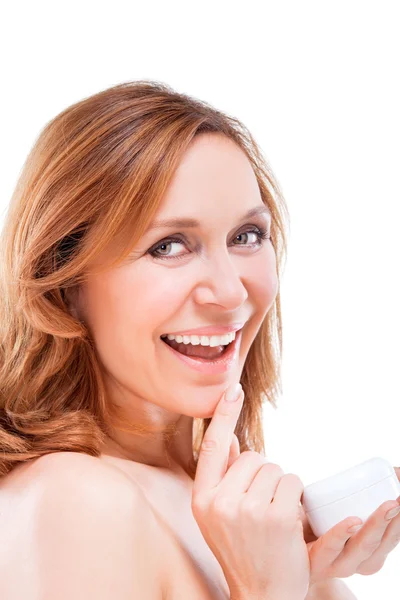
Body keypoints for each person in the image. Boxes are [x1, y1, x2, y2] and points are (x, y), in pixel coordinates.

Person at [0, 80, 398, 599]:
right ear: (64, 280)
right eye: (168, 246)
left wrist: (303, 579)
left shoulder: (230, 520)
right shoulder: (77, 500)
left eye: (246, 236)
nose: (231, 291)